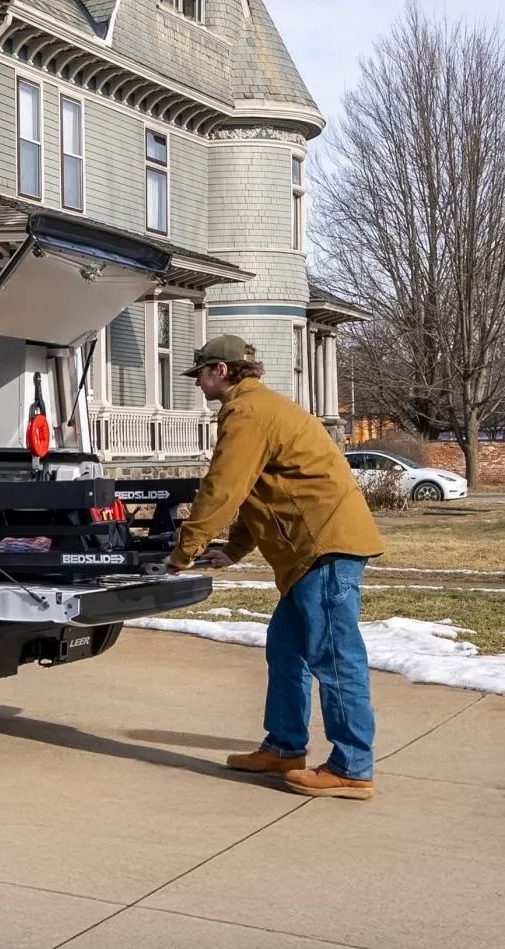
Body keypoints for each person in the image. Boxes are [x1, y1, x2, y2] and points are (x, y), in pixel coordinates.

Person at [166, 335, 386, 800]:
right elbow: (256, 491)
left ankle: (352, 767)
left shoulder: (246, 413)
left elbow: (223, 488)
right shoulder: (261, 408)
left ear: (221, 371)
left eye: (201, 373)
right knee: (286, 650)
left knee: (334, 657)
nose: (198, 383)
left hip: (323, 549)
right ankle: (285, 747)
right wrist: (234, 550)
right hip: (311, 553)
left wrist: (184, 550)